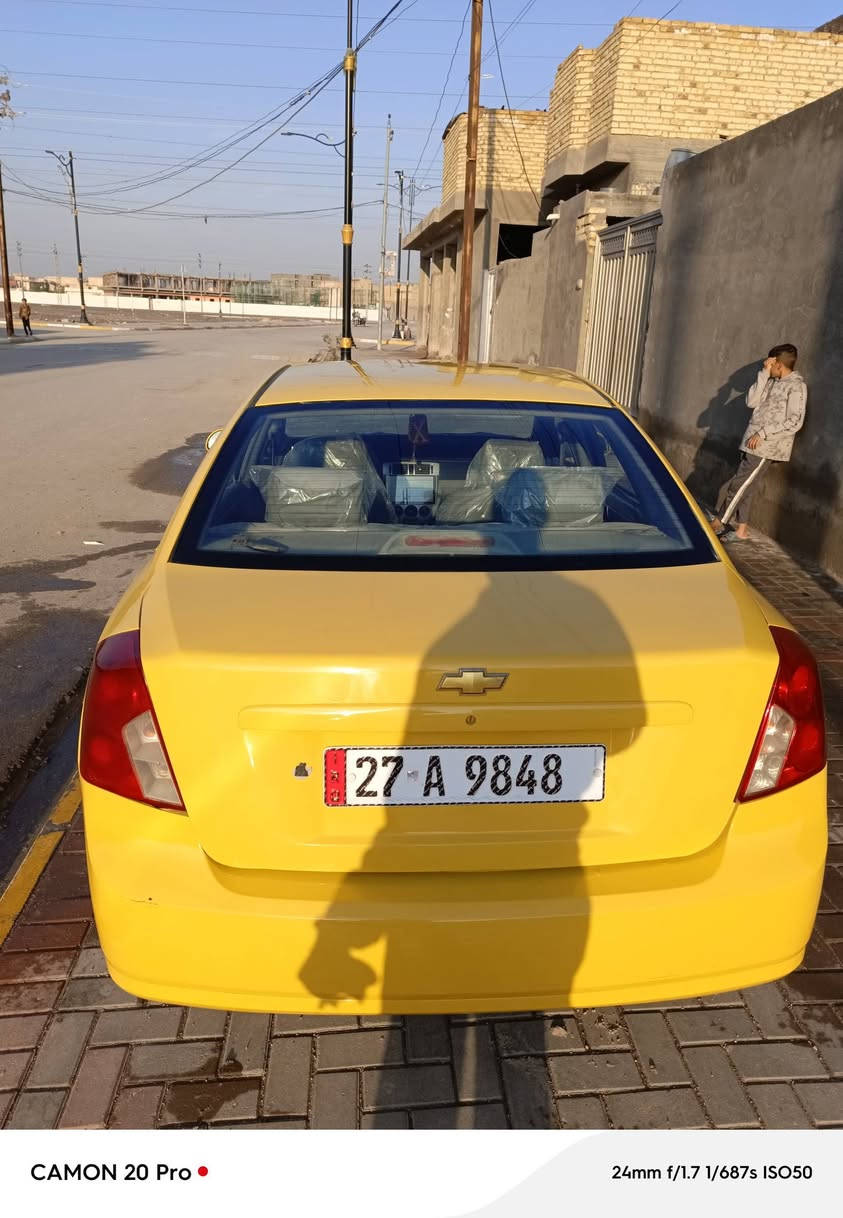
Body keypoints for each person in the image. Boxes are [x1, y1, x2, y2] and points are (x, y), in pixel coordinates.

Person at [712, 343, 807, 542]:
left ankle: (719, 522)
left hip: (766, 446)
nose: (766, 366)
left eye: (770, 363)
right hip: (751, 441)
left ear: (779, 364)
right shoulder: (770, 381)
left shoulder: (797, 386)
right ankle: (741, 531)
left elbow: (795, 421)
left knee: (739, 484)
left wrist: (763, 433)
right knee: (747, 486)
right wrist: (764, 374)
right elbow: (751, 402)